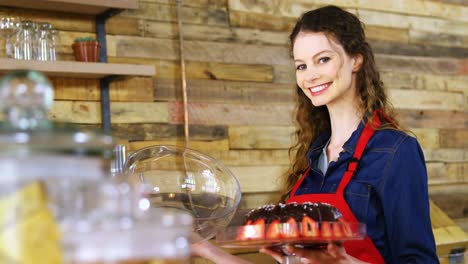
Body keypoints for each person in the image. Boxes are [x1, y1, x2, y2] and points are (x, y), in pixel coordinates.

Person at [192, 5, 438, 264]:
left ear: (356, 59)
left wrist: (342, 262)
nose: (310, 75)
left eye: (323, 59)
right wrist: (204, 248)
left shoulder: (395, 150)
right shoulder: (312, 160)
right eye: (301, 66)